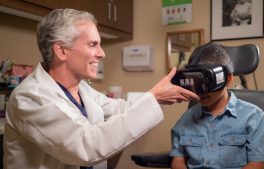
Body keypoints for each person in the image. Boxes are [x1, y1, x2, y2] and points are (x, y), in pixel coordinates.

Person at [3, 8, 200, 169]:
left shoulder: (81, 89)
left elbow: (118, 108)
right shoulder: (29, 97)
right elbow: (85, 146)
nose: (102, 53)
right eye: (92, 45)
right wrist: (152, 98)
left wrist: (157, 97)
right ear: (62, 50)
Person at [170, 42, 264, 169]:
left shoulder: (253, 116)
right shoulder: (186, 119)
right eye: (195, 82)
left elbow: (257, 164)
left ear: (228, 79)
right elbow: (178, 160)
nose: (200, 91)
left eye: (207, 82)